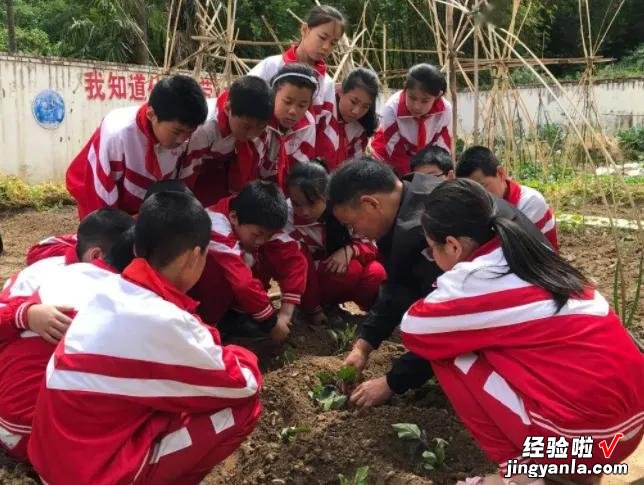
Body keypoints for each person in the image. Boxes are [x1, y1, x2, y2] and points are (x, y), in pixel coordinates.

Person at [401, 179, 643, 485]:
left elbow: (414, 330)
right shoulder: (532, 256)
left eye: (431, 248)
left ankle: (519, 475)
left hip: (586, 444)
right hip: (628, 434)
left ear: (453, 245)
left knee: (450, 352)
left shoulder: (472, 279)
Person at [28, 191, 262, 485]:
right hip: (87, 474)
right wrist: (244, 355)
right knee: (242, 406)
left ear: (137, 248)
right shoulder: (160, 318)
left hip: (56, 459)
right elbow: (243, 383)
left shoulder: (113, 292)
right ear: (194, 256)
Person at [328, 158, 548, 407]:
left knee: (460, 367)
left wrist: (391, 382)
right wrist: (363, 347)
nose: (356, 234)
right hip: (537, 298)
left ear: (370, 204)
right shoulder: (413, 191)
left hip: (529, 331)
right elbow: (399, 286)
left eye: (352, 225)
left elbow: (451, 328)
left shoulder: (429, 228)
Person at [0, 230, 134, 461]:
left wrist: (25, 314)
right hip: (30, 430)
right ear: (96, 255)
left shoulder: (50, 269)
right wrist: (25, 314)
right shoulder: (112, 296)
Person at [66, 75, 208, 218]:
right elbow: (101, 195)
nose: (183, 140)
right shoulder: (117, 133)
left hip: (138, 200)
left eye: (190, 131)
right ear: (151, 115)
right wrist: (117, 228)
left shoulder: (181, 134)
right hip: (95, 190)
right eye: (177, 131)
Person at [192, 180, 307, 343]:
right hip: (201, 292)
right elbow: (242, 283)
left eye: (267, 235)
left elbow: (295, 259)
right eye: (256, 235)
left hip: (233, 296)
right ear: (233, 217)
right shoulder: (216, 225)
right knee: (220, 270)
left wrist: (285, 314)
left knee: (272, 250)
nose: (261, 240)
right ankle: (206, 328)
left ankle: (237, 315)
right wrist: (271, 323)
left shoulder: (258, 219)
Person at [285, 161, 386, 325]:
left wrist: (350, 250)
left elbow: (371, 244)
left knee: (376, 272)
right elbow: (295, 265)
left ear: (325, 196)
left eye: (312, 203)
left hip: (336, 271)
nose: (304, 211)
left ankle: (372, 313)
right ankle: (315, 308)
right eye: (297, 204)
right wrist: (313, 309)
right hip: (307, 279)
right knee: (351, 270)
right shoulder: (286, 217)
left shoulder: (345, 206)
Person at [249, 5, 345, 161]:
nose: (326, 46)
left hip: (299, 163)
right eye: (322, 37)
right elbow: (244, 104)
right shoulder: (271, 66)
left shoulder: (326, 84)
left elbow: (325, 134)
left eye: (333, 43)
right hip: (256, 156)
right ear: (305, 30)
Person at [2, 208, 134, 299]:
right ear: (95, 256)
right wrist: (25, 314)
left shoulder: (47, 263)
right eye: (124, 261)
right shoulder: (58, 285)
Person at [186, 76, 274, 205]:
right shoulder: (205, 129)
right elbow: (188, 172)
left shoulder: (263, 127)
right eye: (247, 127)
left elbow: (256, 168)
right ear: (227, 109)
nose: (252, 135)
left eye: (260, 127)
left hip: (227, 170)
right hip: (202, 173)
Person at [456, 145, 559, 250]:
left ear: (501, 173)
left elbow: (513, 253)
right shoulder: (477, 203)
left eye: (482, 187)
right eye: (470, 191)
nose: (476, 197)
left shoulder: (530, 202)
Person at [239, 64, 318, 191]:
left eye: (302, 105)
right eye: (287, 102)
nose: (293, 111)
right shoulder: (260, 121)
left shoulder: (307, 124)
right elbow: (247, 168)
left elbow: (299, 171)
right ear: (274, 94)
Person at [371, 64, 452, 177]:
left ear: (438, 96)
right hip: (387, 160)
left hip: (423, 162)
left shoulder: (445, 110)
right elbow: (395, 153)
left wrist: (434, 175)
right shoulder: (391, 109)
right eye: (412, 98)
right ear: (405, 88)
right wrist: (414, 179)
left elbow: (442, 149)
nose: (417, 106)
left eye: (425, 101)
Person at [325, 67, 379, 170]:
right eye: (354, 102)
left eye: (365, 106)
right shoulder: (322, 112)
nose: (356, 112)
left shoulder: (361, 126)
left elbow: (353, 166)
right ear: (340, 91)